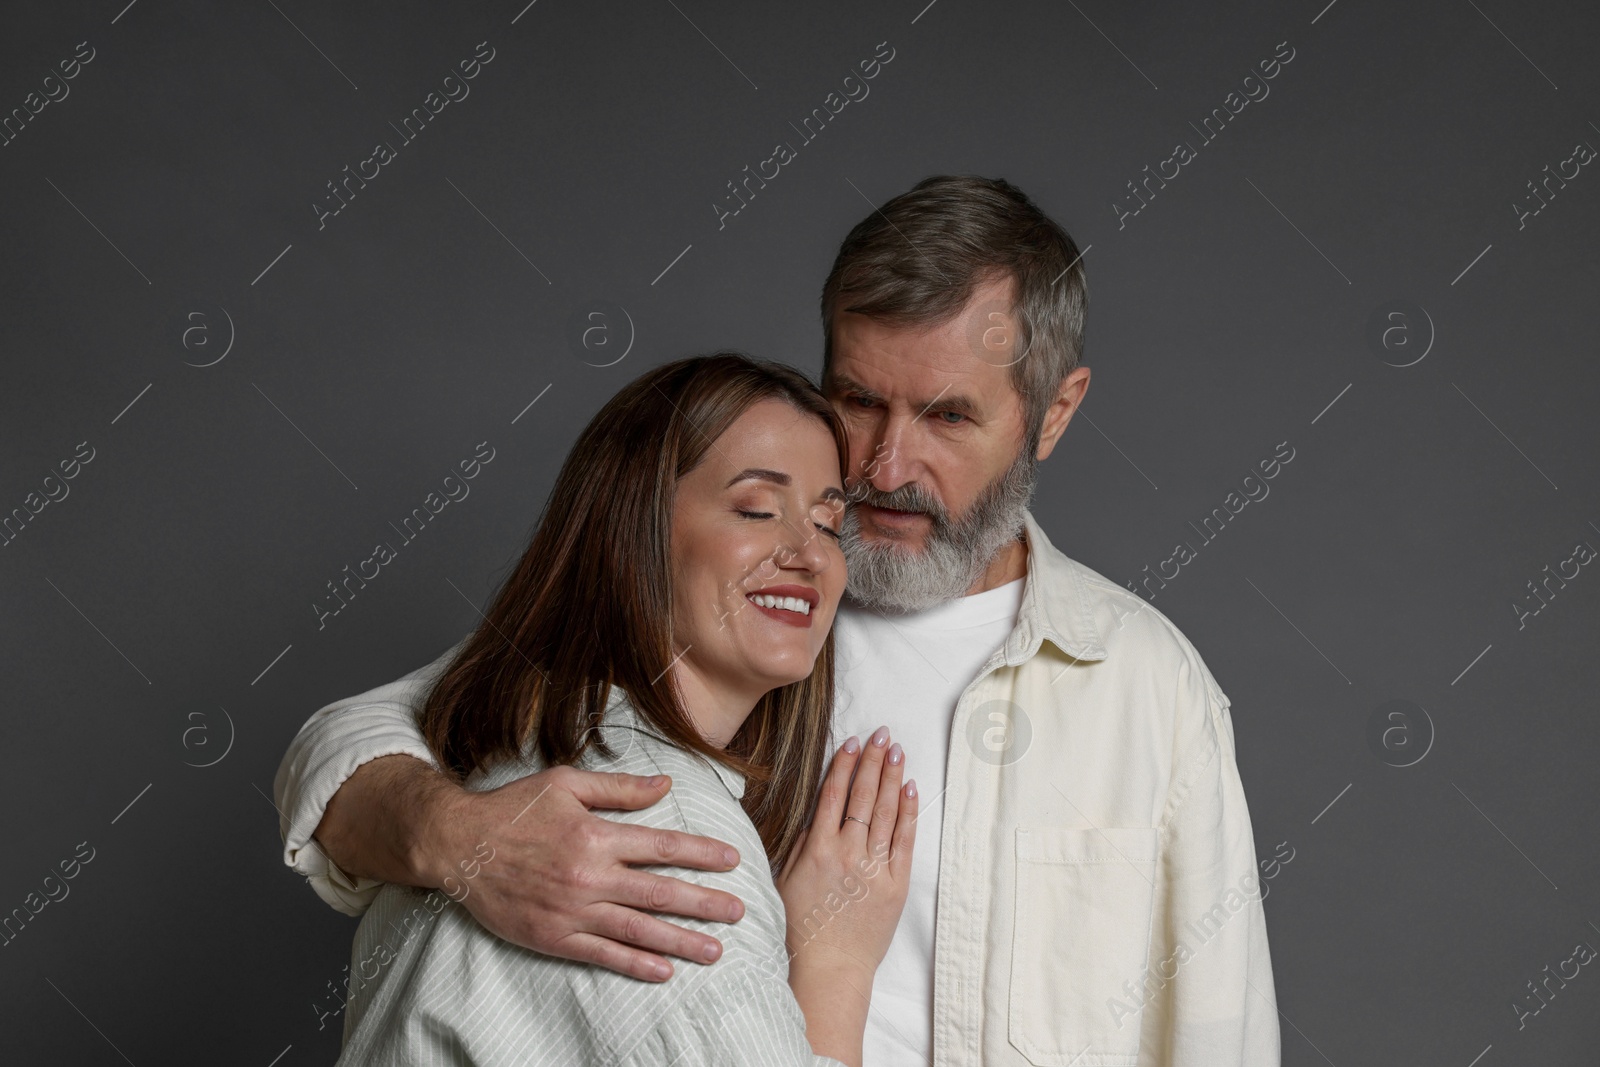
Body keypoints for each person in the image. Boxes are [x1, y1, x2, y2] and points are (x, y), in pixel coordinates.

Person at [276, 175, 1282, 1065]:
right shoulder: (735, 615)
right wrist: (461, 837)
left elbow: (1220, 1037)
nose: (884, 468)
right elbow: (355, 745)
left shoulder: (1146, 683)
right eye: (857, 398)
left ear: (1053, 413)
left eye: (945, 417)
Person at [328, 353, 917, 1065]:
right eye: (757, 509)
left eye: (828, 523)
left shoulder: (502, 749)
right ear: (633, 529)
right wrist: (835, 966)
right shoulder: (672, 851)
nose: (810, 553)